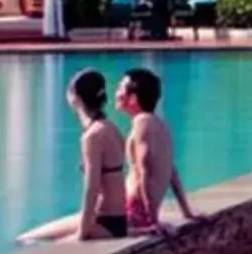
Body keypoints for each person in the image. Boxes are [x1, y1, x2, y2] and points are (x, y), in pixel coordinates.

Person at [21, 69, 129, 243]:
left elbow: (92, 187)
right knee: (28, 238)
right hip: (117, 219)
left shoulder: (92, 136)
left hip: (103, 222)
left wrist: (81, 233)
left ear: (75, 98)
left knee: (29, 242)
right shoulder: (110, 128)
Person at [118, 66, 200, 232]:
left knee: (53, 231)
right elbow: (171, 171)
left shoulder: (142, 123)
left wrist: (152, 221)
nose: (116, 93)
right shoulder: (161, 124)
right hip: (135, 210)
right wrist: (186, 211)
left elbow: (144, 169)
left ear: (133, 98)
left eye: (120, 88)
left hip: (132, 211)